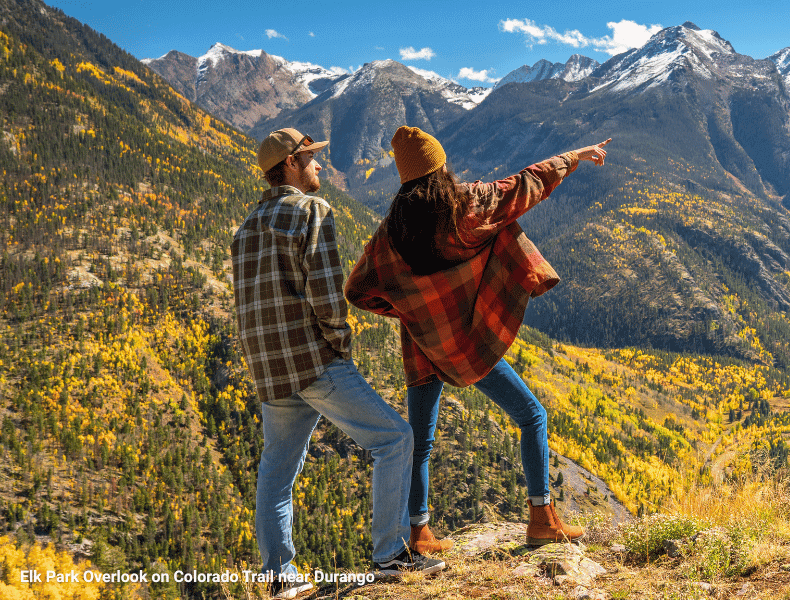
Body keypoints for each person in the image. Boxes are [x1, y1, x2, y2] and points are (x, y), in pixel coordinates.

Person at [345, 126, 610, 553]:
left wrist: (412, 309)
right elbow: (524, 184)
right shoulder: (467, 204)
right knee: (532, 416)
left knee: (420, 441)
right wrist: (575, 156)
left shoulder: (390, 233)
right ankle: (541, 519)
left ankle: (419, 534)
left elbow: (357, 289)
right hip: (470, 341)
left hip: (423, 345)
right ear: (439, 168)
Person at [232, 127, 445, 598]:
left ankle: (278, 578)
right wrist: (341, 344)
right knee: (395, 438)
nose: (320, 166)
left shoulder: (246, 227)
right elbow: (326, 294)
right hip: (312, 360)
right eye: (311, 158)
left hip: (269, 370)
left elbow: (245, 303)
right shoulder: (312, 210)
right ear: (290, 164)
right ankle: (389, 555)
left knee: (277, 471)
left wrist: (260, 365)